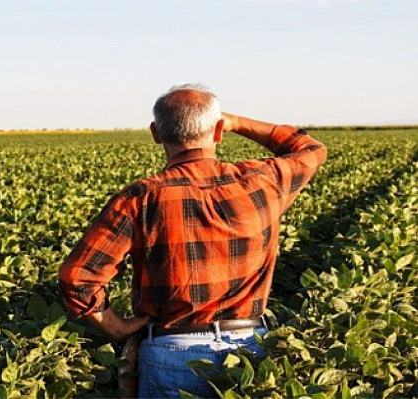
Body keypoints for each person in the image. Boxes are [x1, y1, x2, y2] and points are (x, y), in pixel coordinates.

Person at [58, 84, 327, 398]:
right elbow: (310, 149)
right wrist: (236, 121)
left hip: (171, 352)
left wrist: (116, 327)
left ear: (156, 133)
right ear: (218, 132)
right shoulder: (263, 181)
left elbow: (77, 278)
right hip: (249, 350)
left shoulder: (140, 197)